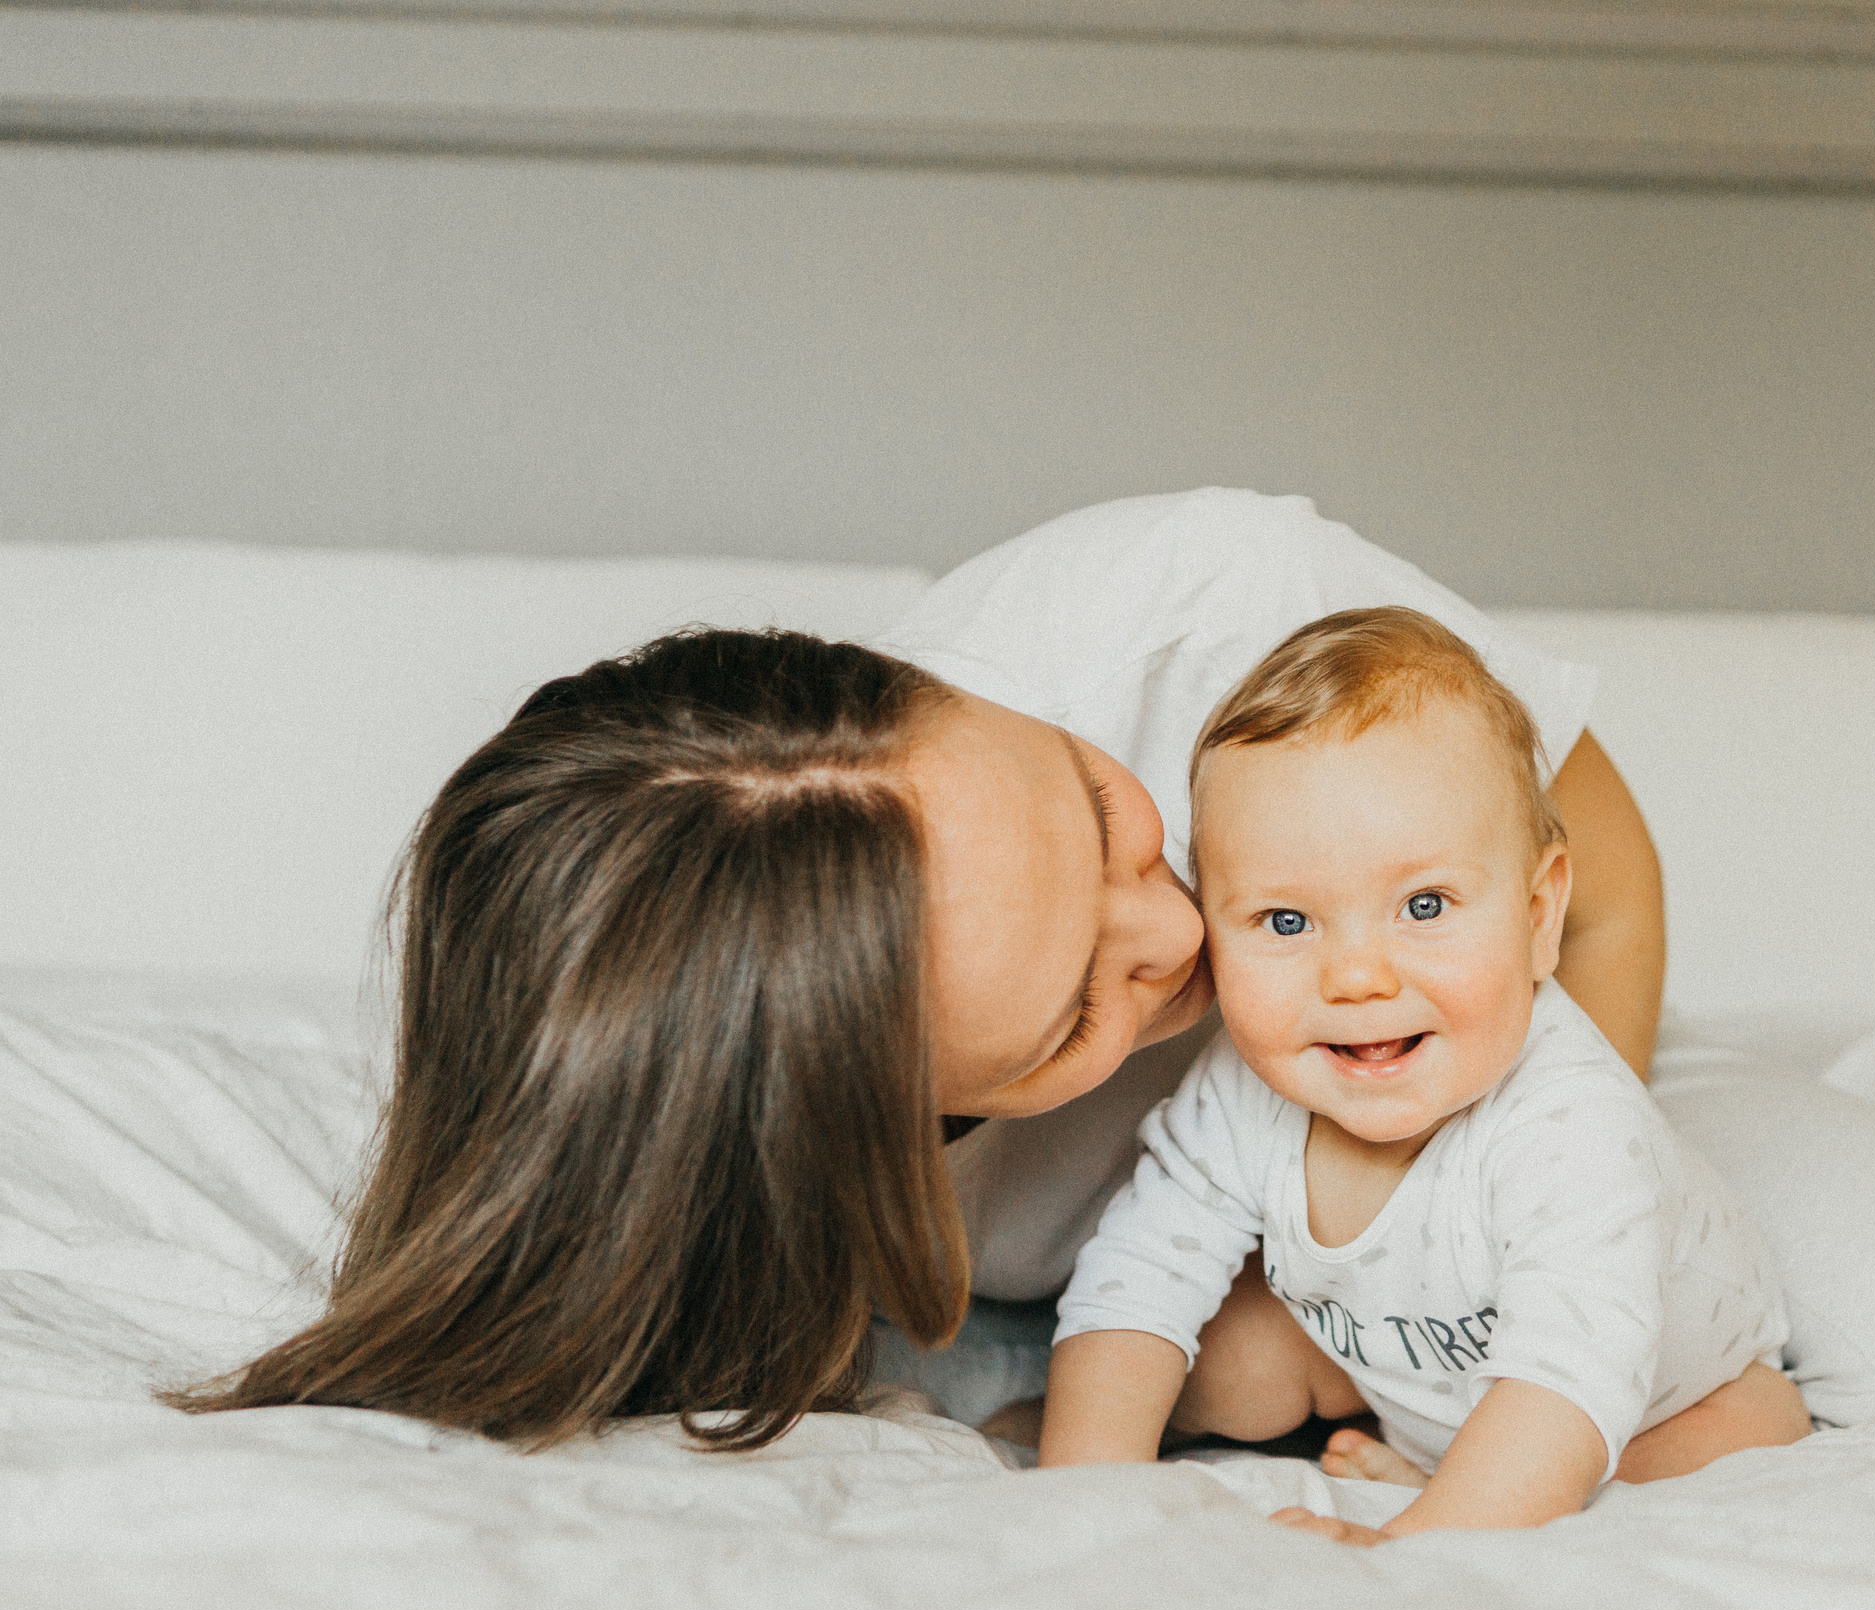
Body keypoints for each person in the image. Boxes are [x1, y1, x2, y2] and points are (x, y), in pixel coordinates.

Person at [167, 490, 1674, 1449]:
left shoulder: (1209, 614)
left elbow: (1596, 888)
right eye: (1079, 1009)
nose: (1182, 933)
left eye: (1096, 813)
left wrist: (1438, 1266)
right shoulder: (767, 1196)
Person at [1040, 609, 1805, 1543]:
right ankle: (1425, 1451)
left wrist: (1415, 1543)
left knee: (1754, 1431)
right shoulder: (1245, 1083)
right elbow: (1139, 1273)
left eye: (1425, 904)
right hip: (1394, 1364)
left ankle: (1458, 1480)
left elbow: (1570, 1374)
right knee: (1231, 1355)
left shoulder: (1570, 1124)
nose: (1358, 977)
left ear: (1537, 916)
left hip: (1639, 1394)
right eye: (1286, 921)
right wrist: (1080, 1484)